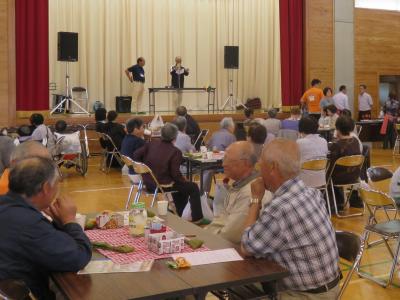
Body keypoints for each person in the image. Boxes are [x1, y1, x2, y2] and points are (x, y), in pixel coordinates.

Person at [241, 139, 339, 299]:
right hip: (332, 287)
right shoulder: (312, 193)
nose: (259, 171)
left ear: (273, 167)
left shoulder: (279, 208)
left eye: (261, 165)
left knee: (237, 287)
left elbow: (246, 246)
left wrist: (255, 199)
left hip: (306, 295)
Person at [0, 157, 92, 299]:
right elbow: (78, 257)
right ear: (46, 188)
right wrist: (69, 221)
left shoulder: (8, 206)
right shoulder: (28, 222)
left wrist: (59, 223)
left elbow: (52, 244)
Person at [133, 123, 205, 223]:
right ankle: (197, 218)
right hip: (163, 185)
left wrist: (143, 167)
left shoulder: (151, 144)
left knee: (181, 186)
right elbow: (175, 174)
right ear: (175, 136)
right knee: (192, 187)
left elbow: (136, 155)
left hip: (148, 182)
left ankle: (179, 214)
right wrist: (184, 180)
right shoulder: (175, 151)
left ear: (161, 134)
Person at [205, 142, 262, 244]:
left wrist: (205, 236)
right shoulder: (239, 185)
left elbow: (230, 236)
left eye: (228, 160)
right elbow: (221, 220)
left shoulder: (250, 192)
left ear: (246, 163)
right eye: (224, 159)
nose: (223, 164)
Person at [328, 116, 362, 210]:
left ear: (337, 129)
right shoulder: (355, 141)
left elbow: (330, 166)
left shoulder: (336, 145)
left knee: (327, 174)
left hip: (339, 178)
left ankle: (335, 204)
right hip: (354, 176)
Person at [297, 117, 328, 188]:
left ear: (300, 128)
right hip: (321, 180)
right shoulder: (323, 141)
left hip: (304, 181)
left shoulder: (299, 142)